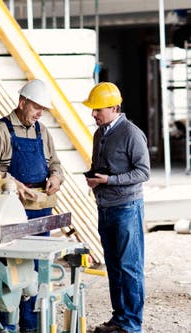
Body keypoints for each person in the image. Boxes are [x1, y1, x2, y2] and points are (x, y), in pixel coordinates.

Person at [0, 79, 64, 333]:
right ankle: (6, 326)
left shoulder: (42, 131)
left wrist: (56, 176)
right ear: (22, 102)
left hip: (40, 210)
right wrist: (9, 181)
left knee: (35, 269)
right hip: (9, 212)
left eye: (43, 110)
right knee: (10, 271)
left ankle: (32, 326)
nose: (39, 114)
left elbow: (55, 163)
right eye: (36, 107)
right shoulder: (1, 131)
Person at [83, 82, 150, 333]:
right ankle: (120, 318)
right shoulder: (100, 134)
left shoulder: (131, 133)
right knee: (113, 265)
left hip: (127, 208)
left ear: (114, 107)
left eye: (97, 109)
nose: (93, 114)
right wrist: (95, 180)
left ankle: (132, 324)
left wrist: (110, 180)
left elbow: (143, 172)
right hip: (106, 207)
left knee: (130, 266)